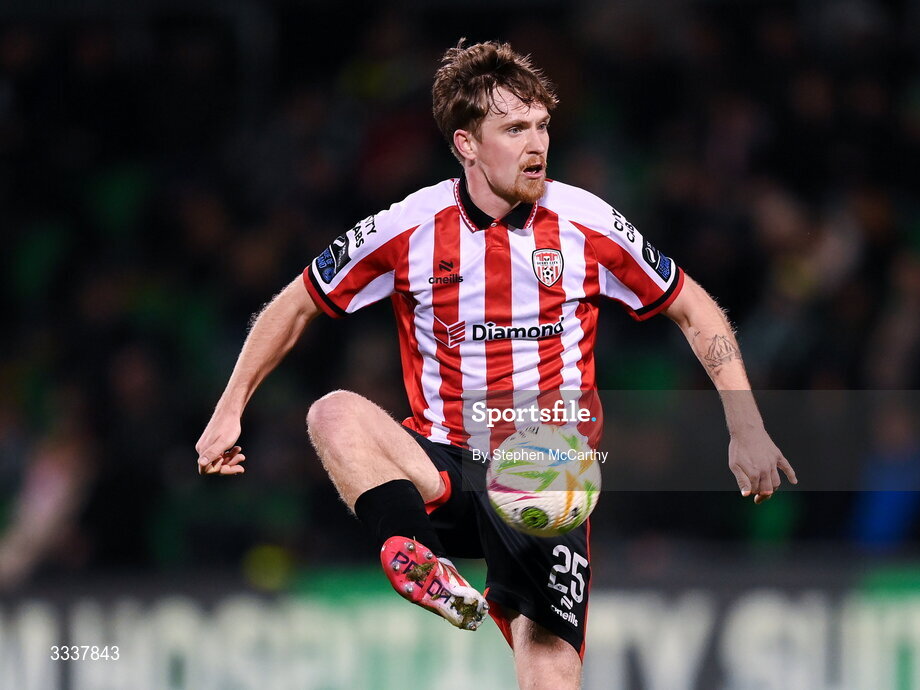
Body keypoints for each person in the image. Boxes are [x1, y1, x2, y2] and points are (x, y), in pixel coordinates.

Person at [195, 40, 796, 689]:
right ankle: (414, 554)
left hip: (546, 466)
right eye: (514, 128)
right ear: (467, 144)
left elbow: (694, 308)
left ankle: (505, 602)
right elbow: (293, 305)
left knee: (548, 672)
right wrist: (229, 410)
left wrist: (747, 424)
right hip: (444, 465)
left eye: (541, 125)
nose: (536, 143)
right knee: (332, 413)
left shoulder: (586, 223)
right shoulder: (409, 227)